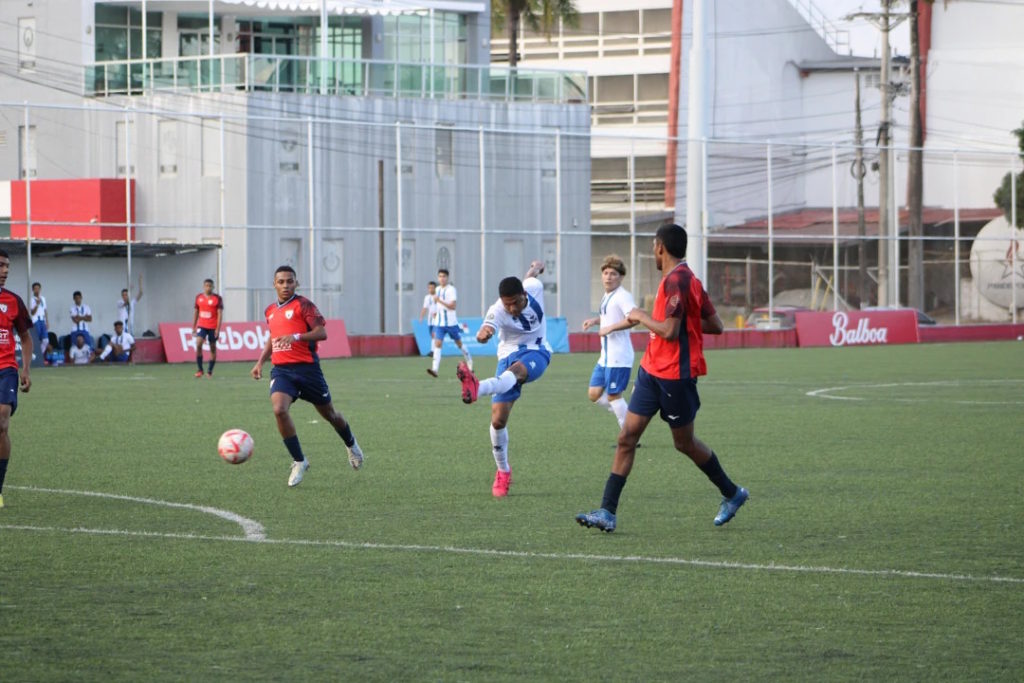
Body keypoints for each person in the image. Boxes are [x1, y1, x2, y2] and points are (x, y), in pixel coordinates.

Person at [575, 223, 748, 533]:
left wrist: (641, 316)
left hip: (675, 376)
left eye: (654, 248)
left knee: (684, 443)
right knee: (626, 437)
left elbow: (670, 331)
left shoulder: (679, 282)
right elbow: (713, 324)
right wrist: (682, 326)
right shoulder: (686, 278)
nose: (653, 253)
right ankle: (607, 512)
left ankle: (732, 493)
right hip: (651, 372)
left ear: (660, 248)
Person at [251, 265, 364, 487]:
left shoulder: (304, 305)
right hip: (282, 370)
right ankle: (299, 461)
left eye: (290, 281)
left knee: (330, 415)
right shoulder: (270, 311)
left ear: (296, 283)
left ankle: (351, 444)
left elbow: (322, 332)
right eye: (281, 282)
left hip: (308, 370)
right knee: (279, 409)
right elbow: (273, 338)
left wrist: (296, 336)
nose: (285, 285)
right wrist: (260, 362)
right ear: (274, 284)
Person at [455, 260, 548, 497]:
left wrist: (537, 266)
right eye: (508, 305)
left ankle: (478, 387)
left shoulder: (534, 287)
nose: (512, 309)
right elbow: (487, 327)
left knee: (517, 371)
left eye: (516, 303)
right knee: (497, 421)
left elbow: (531, 274)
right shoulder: (497, 310)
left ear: (524, 294)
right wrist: (484, 334)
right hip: (507, 355)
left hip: (537, 352)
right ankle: (503, 471)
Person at [581, 255, 637, 432]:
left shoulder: (623, 296)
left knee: (614, 396)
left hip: (619, 356)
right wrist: (595, 321)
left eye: (613, 273)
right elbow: (609, 317)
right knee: (594, 393)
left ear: (620, 277)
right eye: (605, 273)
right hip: (605, 356)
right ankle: (630, 417)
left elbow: (634, 319)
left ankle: (629, 434)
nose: (608, 277)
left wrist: (610, 328)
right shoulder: (607, 296)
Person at [0, 249, 33, 510]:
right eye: (1, 266)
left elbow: (25, 337)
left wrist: (26, 370)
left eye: (7, 268)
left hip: (6, 368)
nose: (4, 272)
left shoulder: (14, 301)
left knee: (2, 420)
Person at [427, 269, 472, 378]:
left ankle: (469, 360)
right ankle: (435, 369)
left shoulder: (451, 290)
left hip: (451, 323)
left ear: (447, 278)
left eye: (444, 276)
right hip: (439, 324)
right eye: (440, 276)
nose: (442, 278)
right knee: (437, 344)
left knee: (459, 343)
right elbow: (437, 306)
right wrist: (435, 313)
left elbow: (453, 306)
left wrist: (440, 301)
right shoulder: (437, 289)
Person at [192, 279, 223, 378]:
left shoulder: (217, 298)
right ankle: (200, 369)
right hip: (202, 326)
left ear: (213, 287)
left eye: (210, 286)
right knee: (198, 344)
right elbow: (196, 312)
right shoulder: (199, 298)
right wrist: (194, 326)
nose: (208, 287)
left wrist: (218, 329)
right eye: (206, 285)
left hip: (213, 327)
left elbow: (219, 314)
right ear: (203, 287)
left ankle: (209, 371)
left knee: (212, 348)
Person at [29, 282, 48, 349]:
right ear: (33, 290)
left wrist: (47, 321)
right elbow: (32, 313)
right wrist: (37, 304)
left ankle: (41, 354)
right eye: (35, 289)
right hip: (36, 320)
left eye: (38, 288)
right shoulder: (31, 300)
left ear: (40, 289)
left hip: (43, 320)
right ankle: (35, 354)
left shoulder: (43, 298)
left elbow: (45, 310)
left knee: (45, 340)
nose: (37, 290)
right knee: (36, 339)